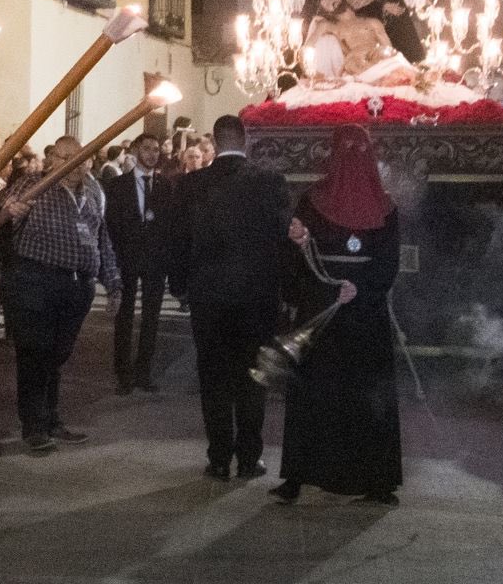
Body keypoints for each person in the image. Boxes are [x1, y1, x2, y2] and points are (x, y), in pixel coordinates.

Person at [271, 124, 397, 505]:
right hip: (321, 309)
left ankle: (377, 482)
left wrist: (362, 288)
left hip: (364, 316)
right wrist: (297, 242)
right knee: (312, 395)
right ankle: (297, 476)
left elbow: (388, 263)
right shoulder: (312, 201)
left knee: (368, 397)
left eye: (361, 148)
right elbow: (294, 256)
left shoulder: (387, 207)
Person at [169, 114, 290, 480]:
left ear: (216, 142)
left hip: (209, 298)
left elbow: (177, 242)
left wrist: (181, 288)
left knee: (214, 379)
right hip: (257, 299)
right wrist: (283, 290)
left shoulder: (191, 185)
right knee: (254, 378)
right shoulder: (270, 183)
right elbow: (284, 241)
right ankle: (250, 458)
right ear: (246, 138)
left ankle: (219, 457)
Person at [0, 137, 118, 451]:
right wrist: (11, 210)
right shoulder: (33, 185)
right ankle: (34, 424)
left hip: (78, 285)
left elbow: (100, 238)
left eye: (80, 158)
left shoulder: (94, 191)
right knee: (34, 352)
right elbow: (2, 218)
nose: (74, 164)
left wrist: (112, 280)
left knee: (56, 355)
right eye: (66, 157)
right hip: (36, 279)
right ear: (52, 159)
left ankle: (51, 419)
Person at [104, 133, 171, 395]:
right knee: (125, 315)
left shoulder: (165, 186)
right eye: (147, 149)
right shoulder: (119, 185)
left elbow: (169, 223)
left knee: (152, 316)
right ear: (135, 151)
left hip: (155, 259)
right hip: (128, 256)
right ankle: (123, 373)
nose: (152, 154)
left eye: (156, 149)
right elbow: (113, 222)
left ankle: (144, 370)